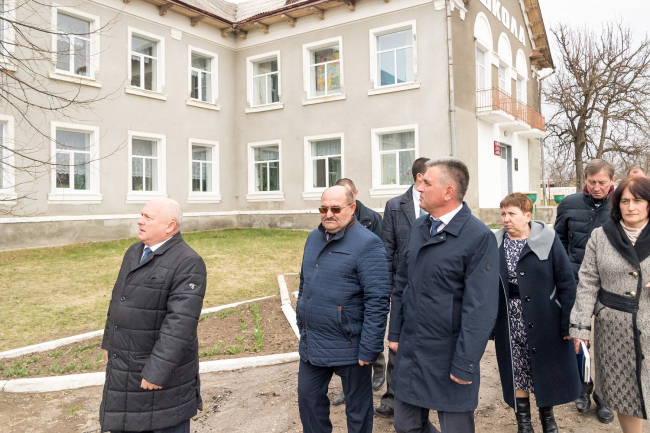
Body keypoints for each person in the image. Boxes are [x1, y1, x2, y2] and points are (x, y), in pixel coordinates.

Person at [388, 157, 499, 433]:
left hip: (448, 354)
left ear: (448, 192)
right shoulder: (419, 227)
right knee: (405, 424)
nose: (419, 188)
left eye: (426, 183)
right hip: (413, 350)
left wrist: (465, 362)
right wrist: (395, 333)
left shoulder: (478, 237)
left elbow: (481, 308)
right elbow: (403, 284)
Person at [99, 198, 207, 433]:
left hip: (158, 378)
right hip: (125, 367)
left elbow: (180, 325)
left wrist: (157, 372)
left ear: (170, 226)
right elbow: (118, 301)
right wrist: (109, 342)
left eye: (148, 217)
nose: (140, 221)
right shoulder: (134, 252)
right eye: (141, 215)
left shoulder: (188, 262)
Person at [296, 185, 391, 433]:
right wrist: (302, 320)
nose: (329, 214)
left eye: (336, 209)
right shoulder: (313, 239)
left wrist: (370, 348)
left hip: (351, 345)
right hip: (314, 342)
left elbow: (378, 300)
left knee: (358, 412)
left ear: (352, 208)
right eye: (323, 209)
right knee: (308, 401)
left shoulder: (368, 244)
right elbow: (305, 282)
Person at [493, 193, 581, 433]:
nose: (506, 219)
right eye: (503, 214)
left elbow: (566, 282)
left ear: (528, 216)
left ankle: (548, 419)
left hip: (544, 317)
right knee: (516, 368)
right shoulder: (495, 242)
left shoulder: (548, 239)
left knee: (543, 368)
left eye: (512, 214)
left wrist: (568, 322)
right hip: (509, 318)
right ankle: (524, 424)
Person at [570, 176, 650, 433]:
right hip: (614, 330)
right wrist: (580, 328)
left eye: (638, 200)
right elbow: (587, 282)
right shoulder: (601, 236)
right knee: (626, 394)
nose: (631, 207)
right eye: (625, 201)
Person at [554, 158, 616, 423]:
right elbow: (558, 240)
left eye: (602, 182)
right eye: (592, 182)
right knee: (579, 336)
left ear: (612, 180)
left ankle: (604, 395)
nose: (597, 187)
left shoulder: (620, 205)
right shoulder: (569, 204)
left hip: (609, 283)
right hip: (575, 281)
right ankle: (583, 386)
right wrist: (563, 269)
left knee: (607, 340)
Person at [374, 157, 430, 419]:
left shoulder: (438, 204)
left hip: (432, 287)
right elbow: (387, 249)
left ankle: (423, 396)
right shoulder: (395, 206)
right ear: (419, 177)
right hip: (402, 286)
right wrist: (387, 287)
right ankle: (392, 398)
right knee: (396, 342)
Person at [331, 177, 385, 406]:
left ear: (355, 194)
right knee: (348, 339)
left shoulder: (372, 218)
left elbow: (382, 251)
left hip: (367, 287)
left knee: (369, 330)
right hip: (345, 291)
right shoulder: (334, 218)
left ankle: (379, 367)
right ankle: (348, 387)